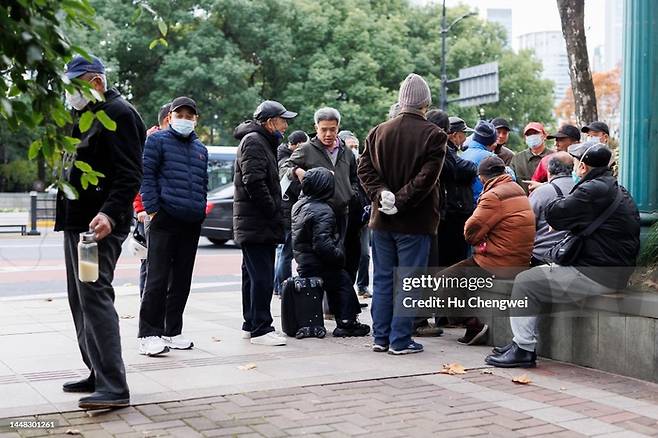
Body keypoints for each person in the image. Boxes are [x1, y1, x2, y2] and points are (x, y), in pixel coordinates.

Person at [486, 143, 640, 368]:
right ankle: (519, 343)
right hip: (609, 269)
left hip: (598, 274)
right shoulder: (614, 188)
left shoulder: (591, 190)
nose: (575, 167)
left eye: (576, 162)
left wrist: (546, 191)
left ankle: (523, 349)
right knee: (537, 274)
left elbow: (555, 213)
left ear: (583, 167)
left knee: (526, 282)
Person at [56, 55, 145, 409]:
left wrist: (109, 213)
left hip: (98, 227)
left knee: (94, 297)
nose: (70, 96)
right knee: (79, 300)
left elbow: (129, 173)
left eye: (74, 87)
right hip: (77, 222)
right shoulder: (85, 115)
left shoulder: (119, 114)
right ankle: (96, 371)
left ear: (95, 82)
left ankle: (114, 385)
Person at [358, 73, 446, 355]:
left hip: (381, 220)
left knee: (383, 279)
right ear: (425, 103)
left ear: (401, 101)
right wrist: (401, 200)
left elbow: (364, 169)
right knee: (409, 280)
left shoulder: (378, 131)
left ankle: (380, 337)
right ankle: (400, 340)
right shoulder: (435, 135)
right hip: (415, 221)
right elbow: (427, 178)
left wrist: (381, 194)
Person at [438, 156, 535, 345]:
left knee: (444, 278)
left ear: (482, 177)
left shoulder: (493, 196)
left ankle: (471, 323)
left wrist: (479, 239)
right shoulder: (517, 190)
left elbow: (471, 230)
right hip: (520, 260)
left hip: (498, 262)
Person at [138, 97, 208, 355]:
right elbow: (146, 175)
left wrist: (200, 208)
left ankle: (172, 331)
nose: (185, 119)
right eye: (180, 114)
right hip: (164, 218)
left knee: (181, 280)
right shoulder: (156, 141)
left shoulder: (201, 148)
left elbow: (203, 182)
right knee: (156, 278)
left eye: (190, 116)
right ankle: (148, 334)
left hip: (191, 220)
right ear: (170, 116)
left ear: (195, 119)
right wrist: (153, 208)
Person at [234, 100, 296, 346]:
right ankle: (261, 327)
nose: (286, 125)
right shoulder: (255, 142)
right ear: (270, 122)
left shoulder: (260, 141)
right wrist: (273, 209)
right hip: (257, 222)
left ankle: (251, 323)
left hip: (255, 222)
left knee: (252, 274)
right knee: (261, 275)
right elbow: (254, 181)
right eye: (283, 120)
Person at [281, 108, 364, 283]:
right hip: (318, 215)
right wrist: (297, 171)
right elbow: (283, 167)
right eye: (323, 129)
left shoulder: (346, 152)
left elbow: (354, 178)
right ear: (316, 127)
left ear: (338, 128)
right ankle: (324, 304)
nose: (328, 134)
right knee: (322, 261)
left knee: (346, 258)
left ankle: (340, 303)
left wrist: (351, 193)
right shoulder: (306, 149)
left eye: (332, 129)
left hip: (344, 213)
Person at [291, 167, 371, 337]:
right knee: (343, 282)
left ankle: (344, 321)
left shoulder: (299, 205)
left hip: (304, 261)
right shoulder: (323, 210)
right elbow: (322, 244)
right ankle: (347, 323)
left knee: (338, 281)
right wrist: (339, 256)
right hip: (319, 262)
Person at [134, 102, 171, 297]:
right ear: (168, 119)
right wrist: (141, 208)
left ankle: (156, 300)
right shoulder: (151, 140)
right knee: (150, 260)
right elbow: (142, 176)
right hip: (150, 210)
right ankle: (146, 299)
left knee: (160, 260)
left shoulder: (167, 141)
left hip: (164, 209)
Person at [274, 130, 309, 296]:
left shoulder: (280, 156)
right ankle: (284, 288)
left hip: (283, 212)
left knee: (282, 252)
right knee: (286, 254)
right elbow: (296, 188)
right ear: (296, 145)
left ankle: (277, 286)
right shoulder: (286, 162)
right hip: (288, 213)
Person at [338, 130, 372, 297]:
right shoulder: (340, 166)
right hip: (346, 217)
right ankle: (346, 293)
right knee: (345, 255)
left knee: (364, 255)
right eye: (351, 147)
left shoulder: (363, 165)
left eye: (357, 146)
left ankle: (363, 286)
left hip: (363, 217)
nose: (355, 150)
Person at [528, 152, 575, 266]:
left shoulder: (541, 193)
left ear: (549, 171)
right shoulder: (583, 189)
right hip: (574, 254)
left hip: (543, 256)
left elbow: (527, 225)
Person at [528, 124, 580, 192]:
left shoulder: (586, 161)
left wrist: (543, 186)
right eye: (556, 140)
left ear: (575, 143)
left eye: (561, 140)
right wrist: (544, 187)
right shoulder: (547, 161)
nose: (556, 144)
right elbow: (532, 185)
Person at [510, 122, 554, 194]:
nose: (532, 136)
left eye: (535, 133)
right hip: (524, 202)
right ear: (525, 138)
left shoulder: (554, 156)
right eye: (529, 134)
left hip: (549, 200)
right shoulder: (517, 159)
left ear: (544, 135)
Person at [460, 120, 498, 204]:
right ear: (491, 142)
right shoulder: (491, 158)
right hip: (482, 203)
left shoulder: (461, 155)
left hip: (464, 204)